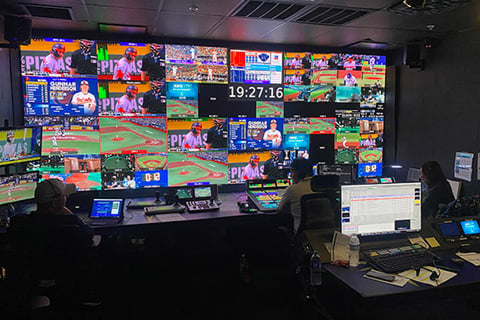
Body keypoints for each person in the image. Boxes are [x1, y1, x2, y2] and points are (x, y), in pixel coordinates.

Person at [8, 179, 101, 305]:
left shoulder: (18, 223)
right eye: (65, 196)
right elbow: (89, 234)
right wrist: (68, 213)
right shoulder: (72, 225)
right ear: (57, 202)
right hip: (65, 282)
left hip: (31, 283)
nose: (67, 197)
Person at [277, 158, 315, 235]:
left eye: (293, 172)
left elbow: (280, 211)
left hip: (302, 237)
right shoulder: (323, 187)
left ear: (303, 173)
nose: (291, 175)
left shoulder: (293, 189)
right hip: (325, 234)